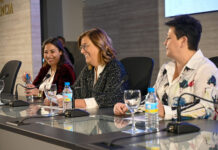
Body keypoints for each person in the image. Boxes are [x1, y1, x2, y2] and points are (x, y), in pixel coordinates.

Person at [114, 15, 218, 120]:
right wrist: (130, 107)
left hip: (197, 133)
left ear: (182, 41)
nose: (164, 43)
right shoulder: (166, 68)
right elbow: (152, 100)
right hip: (167, 131)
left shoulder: (206, 69)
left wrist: (165, 112)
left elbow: (206, 109)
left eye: (168, 38)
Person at [58, 28, 128, 109]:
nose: (82, 51)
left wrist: (82, 103)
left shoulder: (114, 67)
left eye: (85, 46)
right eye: (81, 47)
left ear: (99, 45)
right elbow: (75, 90)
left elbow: (114, 97)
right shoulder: (88, 69)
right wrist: (57, 98)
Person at [22, 37, 76, 105]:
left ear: (60, 52)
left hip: (58, 111)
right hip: (42, 108)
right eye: (46, 52)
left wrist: (39, 93)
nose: (48, 55)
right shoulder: (45, 68)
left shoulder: (66, 69)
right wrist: (28, 81)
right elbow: (34, 90)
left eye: (52, 52)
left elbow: (62, 94)